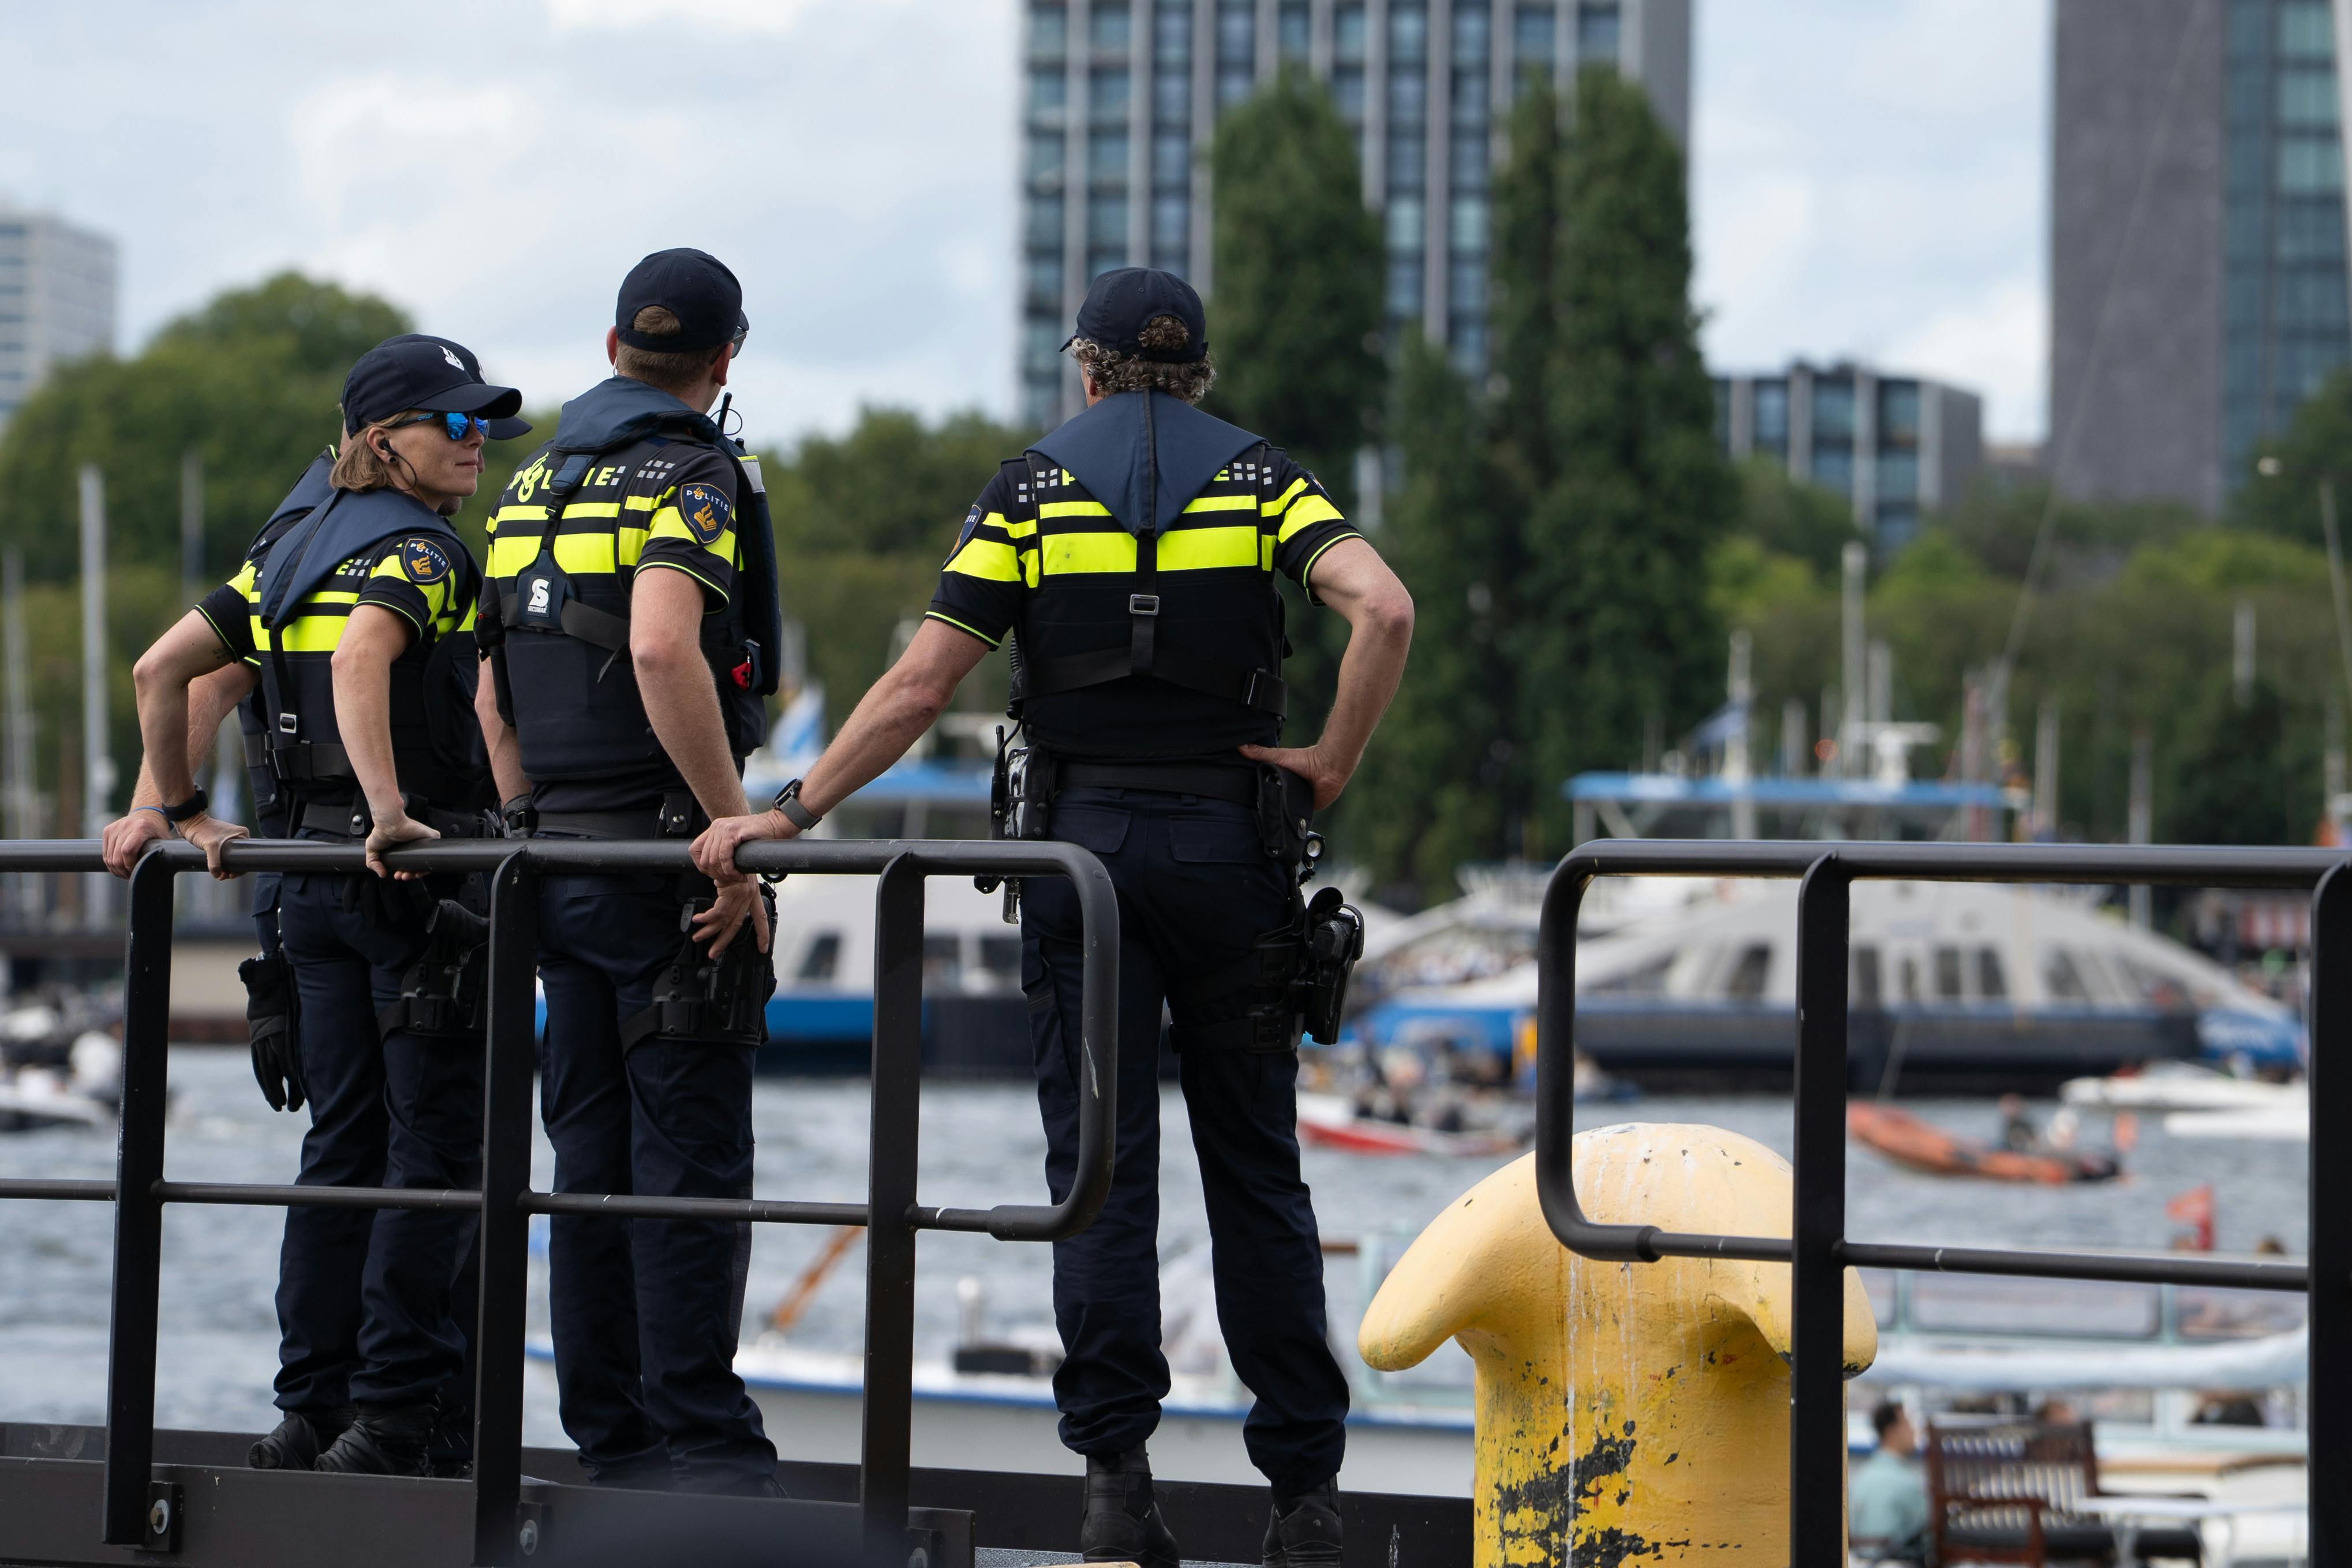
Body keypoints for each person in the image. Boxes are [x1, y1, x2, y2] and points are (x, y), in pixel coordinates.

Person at [691, 267, 1415, 1566]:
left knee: (1100, 1173)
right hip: (1234, 848)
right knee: (1259, 1173)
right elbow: (1384, 605)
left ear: (1084, 370)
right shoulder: (1264, 482)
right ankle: (1305, 1496)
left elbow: (921, 683)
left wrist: (791, 810)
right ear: (1198, 372)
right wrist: (1331, 756)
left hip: (1082, 863)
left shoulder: (1029, 489)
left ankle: (1114, 1491)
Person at [102, 334, 522, 1475]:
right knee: (429, 1154)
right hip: (405, 885)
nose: (479, 446)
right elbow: (362, 662)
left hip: (305, 887)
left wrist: (177, 810)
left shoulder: (280, 553)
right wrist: (391, 809)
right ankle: (390, 1417)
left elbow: (157, 671)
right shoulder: (427, 553)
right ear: (384, 439)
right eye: (459, 425)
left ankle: (307, 1408)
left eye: (486, 426)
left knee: (340, 1145)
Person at [471, 249, 781, 1496]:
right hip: (664, 861)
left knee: (584, 1153)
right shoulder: (692, 472)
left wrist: (525, 821)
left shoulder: (529, 482)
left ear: (611, 351)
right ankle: (706, 1448)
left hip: (551, 853)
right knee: (690, 1159)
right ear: (724, 362)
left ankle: (611, 1435)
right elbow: (664, 647)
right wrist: (732, 829)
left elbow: (493, 690)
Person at [1848, 1400, 1931, 1564]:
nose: (1915, 1431)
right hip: (1898, 1562)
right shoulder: (1906, 1481)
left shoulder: (1860, 1478)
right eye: (1908, 1424)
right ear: (1892, 1431)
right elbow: (1930, 1536)